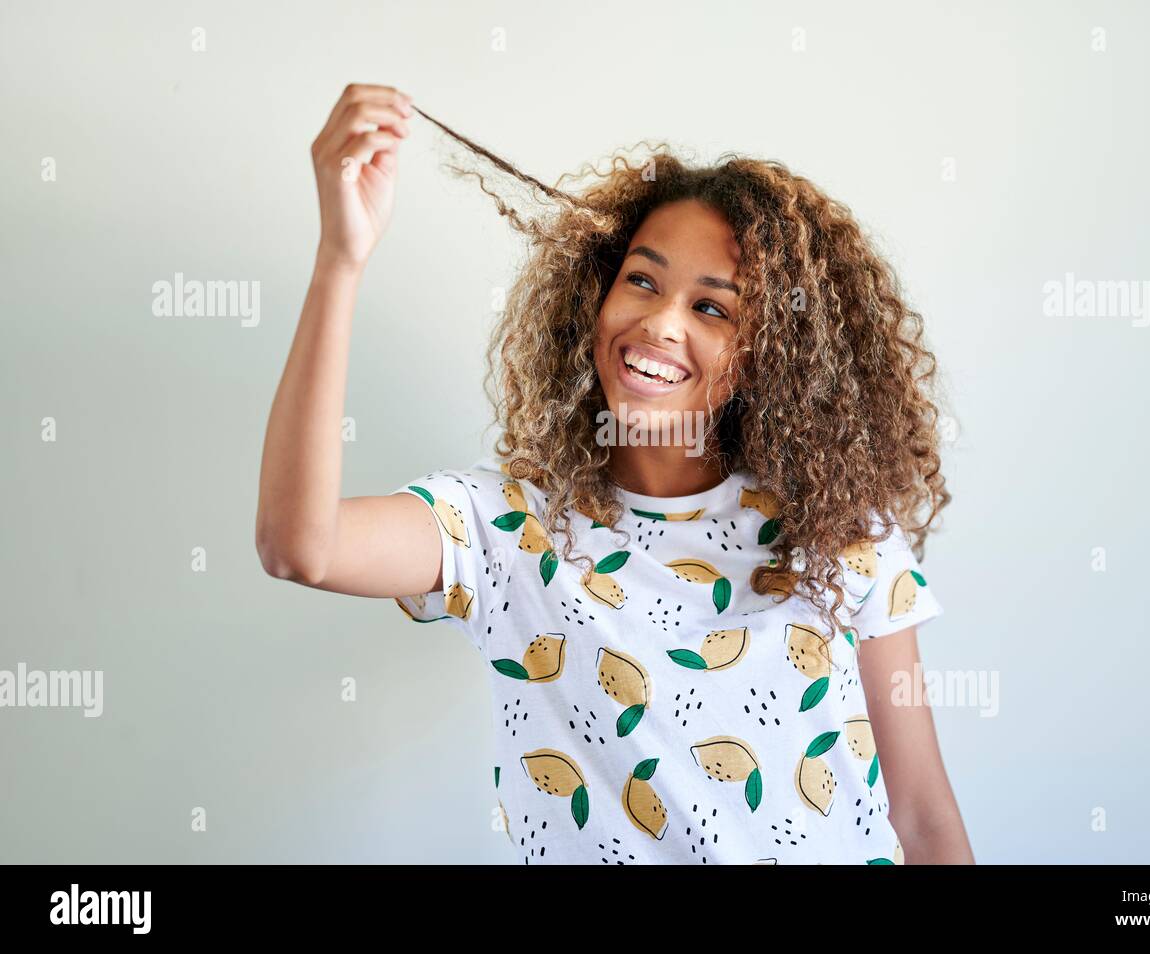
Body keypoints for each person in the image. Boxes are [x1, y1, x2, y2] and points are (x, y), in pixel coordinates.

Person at [256, 83, 974, 865]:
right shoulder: (503, 530)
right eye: (642, 279)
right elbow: (303, 547)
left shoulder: (838, 530)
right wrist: (340, 259)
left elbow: (924, 815)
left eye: (713, 308)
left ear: (771, 357)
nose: (661, 322)